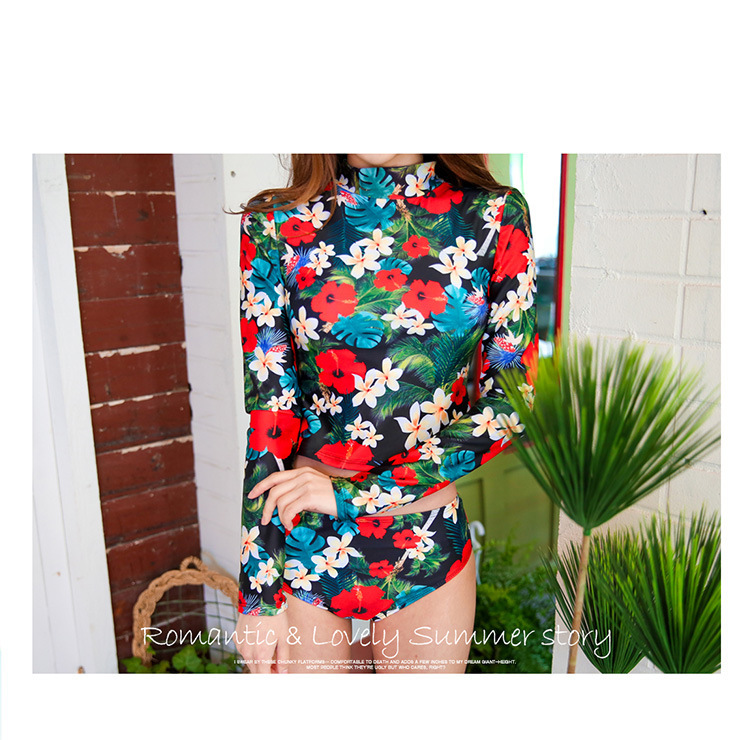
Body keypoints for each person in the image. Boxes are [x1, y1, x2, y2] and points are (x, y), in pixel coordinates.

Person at [232, 153, 537, 674]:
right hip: (302, 535)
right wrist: (257, 594)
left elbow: (511, 402)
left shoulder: (493, 216)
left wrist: (352, 496)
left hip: (423, 537)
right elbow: (271, 412)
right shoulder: (273, 225)